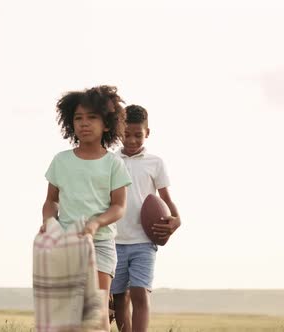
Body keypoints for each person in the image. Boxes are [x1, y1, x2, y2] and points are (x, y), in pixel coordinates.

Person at [41, 85, 132, 331]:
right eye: (78, 118)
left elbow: (119, 207)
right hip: (66, 243)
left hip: (100, 243)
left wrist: (95, 223)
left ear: (107, 124)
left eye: (92, 117)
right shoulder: (61, 160)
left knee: (97, 308)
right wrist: (49, 221)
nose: (84, 123)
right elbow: (51, 200)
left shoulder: (114, 164)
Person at [111, 104, 181, 332]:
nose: (131, 140)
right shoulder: (110, 161)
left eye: (137, 135)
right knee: (120, 297)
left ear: (147, 133)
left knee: (140, 293)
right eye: (126, 134)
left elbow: (165, 198)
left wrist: (176, 219)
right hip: (115, 241)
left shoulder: (155, 163)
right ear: (119, 131)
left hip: (144, 241)